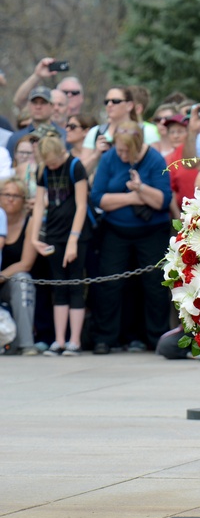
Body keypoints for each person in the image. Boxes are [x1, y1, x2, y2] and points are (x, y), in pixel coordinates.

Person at [89, 121, 171, 355]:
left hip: (151, 231)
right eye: (119, 150)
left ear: (138, 146)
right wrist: (133, 198)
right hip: (116, 230)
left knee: (154, 285)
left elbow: (162, 200)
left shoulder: (154, 159)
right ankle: (105, 337)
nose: (122, 155)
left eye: (127, 151)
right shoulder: (109, 158)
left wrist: (141, 188)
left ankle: (156, 338)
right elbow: (98, 198)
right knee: (110, 283)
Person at [31, 133, 90, 356]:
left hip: (76, 233)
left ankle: (74, 340)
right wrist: (35, 237)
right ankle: (59, 340)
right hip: (54, 233)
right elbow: (38, 206)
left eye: (54, 161)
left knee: (75, 284)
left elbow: (81, 205)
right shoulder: (43, 170)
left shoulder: (75, 166)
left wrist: (73, 240)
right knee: (58, 285)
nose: (52, 166)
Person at [0, 178, 38, 355]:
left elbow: (26, 263)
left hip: (9, 279)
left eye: (16, 195)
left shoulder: (29, 222)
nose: (11, 199)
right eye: (7, 194)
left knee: (23, 280)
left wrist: (1, 276)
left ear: (23, 199)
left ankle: (26, 343)